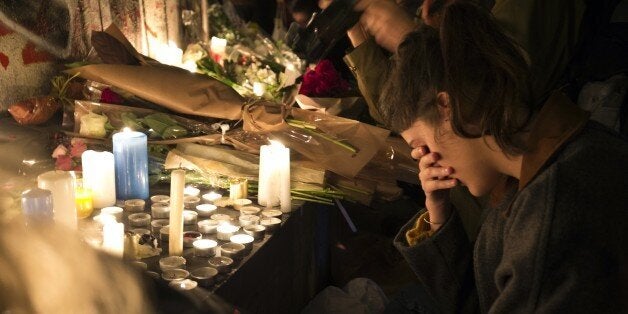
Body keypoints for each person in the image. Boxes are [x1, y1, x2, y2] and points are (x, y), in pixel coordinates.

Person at [378, 1, 628, 312]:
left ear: (448, 108)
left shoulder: (553, 213)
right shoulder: (532, 175)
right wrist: (438, 213)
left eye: (420, 144)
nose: (427, 161)